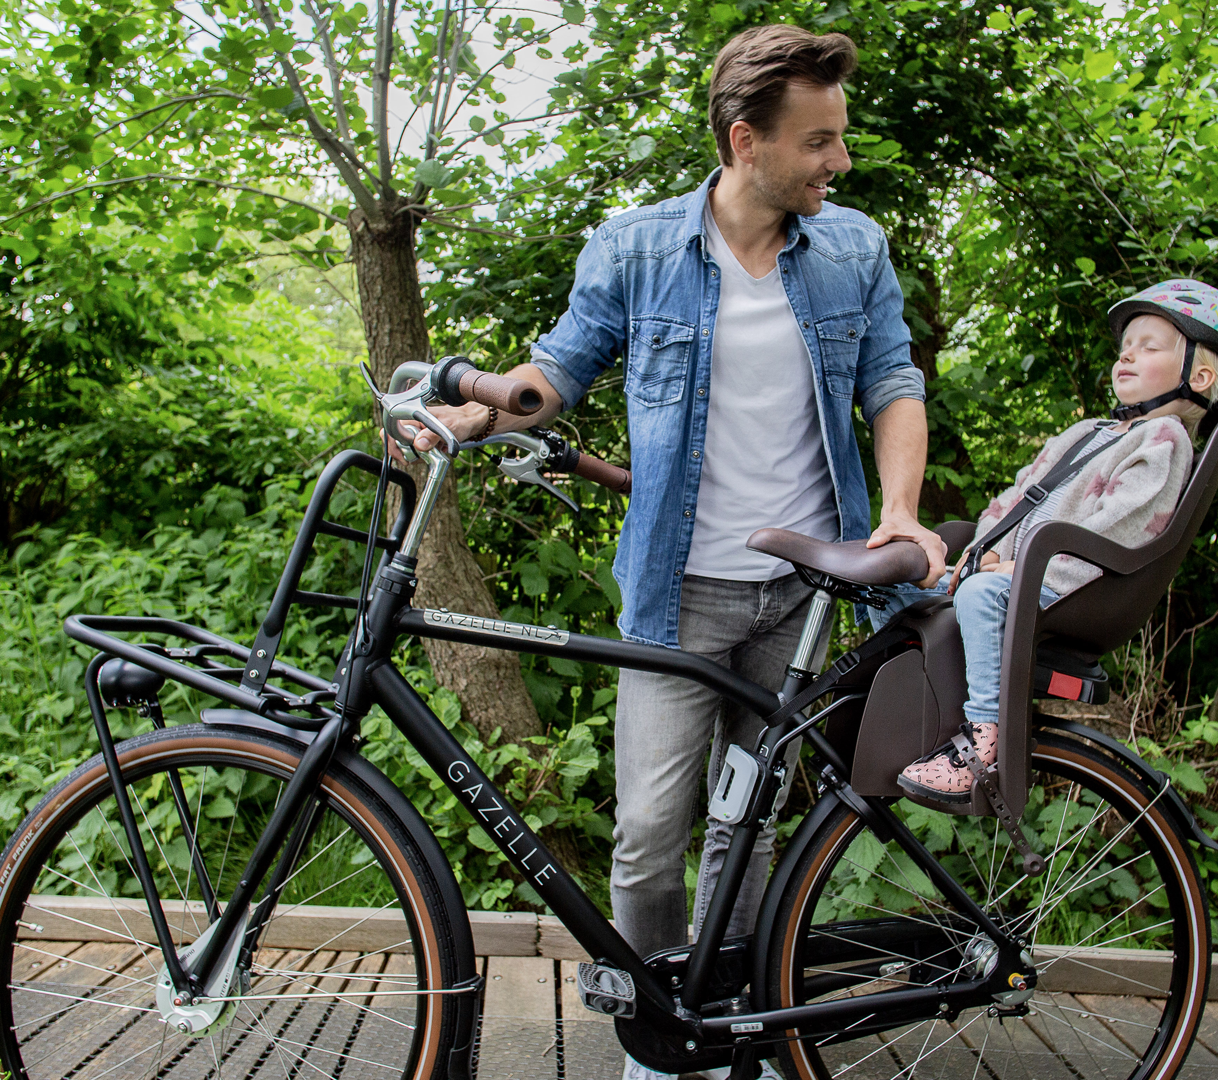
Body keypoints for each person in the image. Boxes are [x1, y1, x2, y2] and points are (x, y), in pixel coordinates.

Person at [401, 25, 946, 1076]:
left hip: (803, 593)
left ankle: (728, 1035)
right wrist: (471, 417)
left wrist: (900, 511)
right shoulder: (638, 248)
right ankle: (658, 1039)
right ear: (747, 141)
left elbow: (893, 382)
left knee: (750, 830)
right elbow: (554, 372)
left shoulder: (853, 251)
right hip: (678, 591)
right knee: (651, 832)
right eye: (819, 141)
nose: (839, 160)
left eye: (839, 138)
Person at [897, 279, 1218, 802]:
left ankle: (984, 740)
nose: (1127, 355)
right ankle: (910, 715)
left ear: (1199, 377)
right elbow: (1019, 493)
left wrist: (1015, 573)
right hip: (1020, 573)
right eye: (1124, 347)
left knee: (978, 594)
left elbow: (1116, 530)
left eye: (1149, 346)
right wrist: (989, 548)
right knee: (897, 581)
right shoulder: (1090, 432)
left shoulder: (1165, 440)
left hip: (1068, 588)